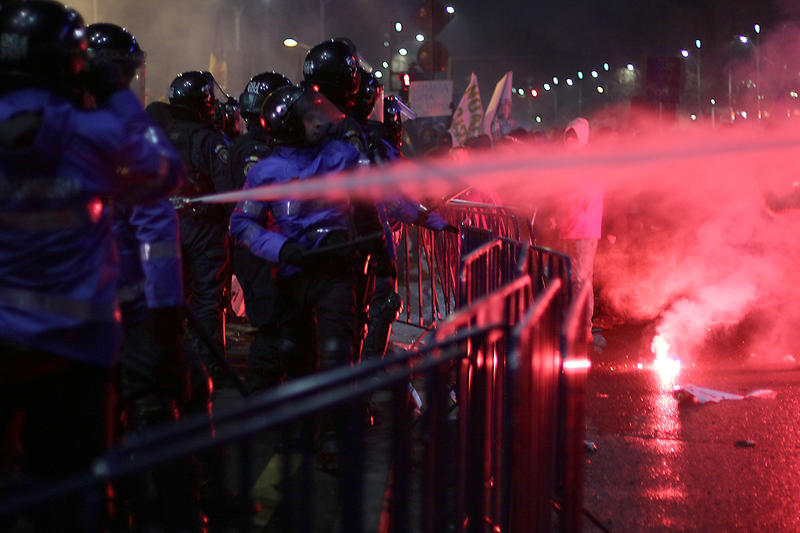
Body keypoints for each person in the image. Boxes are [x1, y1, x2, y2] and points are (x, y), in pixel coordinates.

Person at [0, 1, 181, 529]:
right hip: (76, 347)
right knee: (71, 491)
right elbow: (163, 173)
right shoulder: (94, 133)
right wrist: (117, 96)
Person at [86, 22, 205, 530]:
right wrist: (165, 314)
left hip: (64, 317)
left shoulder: (49, 128)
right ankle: (179, 512)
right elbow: (155, 232)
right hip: (132, 312)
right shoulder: (125, 133)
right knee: (167, 404)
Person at [230, 84, 381, 465]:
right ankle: (300, 430)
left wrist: (373, 239)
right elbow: (242, 225)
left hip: (336, 271)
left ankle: (332, 436)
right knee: (296, 354)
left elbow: (371, 201)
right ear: (289, 125)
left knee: (335, 351)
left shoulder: (342, 155)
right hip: (293, 273)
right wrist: (281, 248)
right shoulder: (265, 172)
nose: (319, 122)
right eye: (309, 117)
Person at [163, 70, 233, 391]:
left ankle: (174, 364)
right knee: (207, 300)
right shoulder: (212, 141)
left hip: (167, 228)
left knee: (173, 297)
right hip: (205, 231)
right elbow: (227, 190)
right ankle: (209, 368)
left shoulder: (160, 137)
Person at [228, 71, 291, 391]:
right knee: (272, 330)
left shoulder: (245, 146)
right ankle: (260, 402)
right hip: (259, 253)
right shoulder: (258, 154)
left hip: (260, 250)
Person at [559, 117, 604, 343]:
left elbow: (586, 195)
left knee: (582, 279)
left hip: (585, 230)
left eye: (573, 139)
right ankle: (574, 322)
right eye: (567, 139)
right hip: (569, 229)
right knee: (572, 278)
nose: (569, 144)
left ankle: (585, 326)